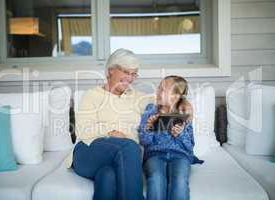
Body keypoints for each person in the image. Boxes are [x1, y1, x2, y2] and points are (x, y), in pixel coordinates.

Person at [70, 48, 151, 200]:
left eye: (134, 73)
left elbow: (165, 107)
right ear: (111, 70)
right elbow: (83, 129)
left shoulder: (139, 98)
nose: (131, 78)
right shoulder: (92, 95)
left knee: (108, 176)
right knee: (129, 146)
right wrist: (110, 132)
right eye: (126, 72)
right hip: (89, 152)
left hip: (125, 157)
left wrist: (184, 106)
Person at [138, 75, 203, 200]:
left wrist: (180, 134)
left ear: (176, 96)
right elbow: (144, 142)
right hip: (155, 155)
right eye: (159, 88)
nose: (158, 92)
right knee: (156, 178)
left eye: (163, 90)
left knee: (179, 180)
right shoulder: (150, 110)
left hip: (180, 156)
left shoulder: (184, 113)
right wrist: (150, 127)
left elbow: (190, 146)